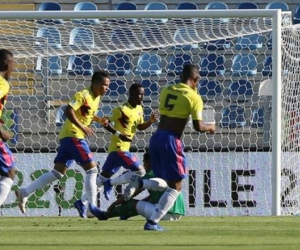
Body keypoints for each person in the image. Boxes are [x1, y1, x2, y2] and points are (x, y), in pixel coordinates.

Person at [15, 70, 128, 214]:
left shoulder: (96, 98)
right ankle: (91, 208)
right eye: (105, 85)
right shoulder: (83, 95)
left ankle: (25, 192)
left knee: (58, 173)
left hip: (68, 137)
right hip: (74, 135)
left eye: (108, 85)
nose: (107, 88)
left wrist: (99, 120)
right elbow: (68, 111)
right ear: (96, 83)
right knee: (92, 170)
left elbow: (88, 113)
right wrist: (83, 127)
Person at [126, 64, 215, 231]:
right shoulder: (194, 97)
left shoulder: (167, 89)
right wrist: (210, 127)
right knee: (176, 186)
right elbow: (198, 127)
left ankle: (142, 183)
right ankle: (152, 222)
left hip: (156, 137)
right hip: (171, 140)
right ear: (196, 79)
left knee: (164, 182)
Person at [75, 83, 158, 218]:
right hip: (119, 149)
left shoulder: (139, 109)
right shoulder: (121, 109)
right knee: (141, 171)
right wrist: (119, 134)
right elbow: (105, 123)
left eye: (143, 94)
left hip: (118, 151)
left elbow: (140, 127)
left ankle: (82, 202)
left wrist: (150, 121)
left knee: (101, 179)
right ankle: (111, 184)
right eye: (139, 94)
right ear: (131, 95)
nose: (142, 97)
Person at [93, 152, 185, 221]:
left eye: (144, 163)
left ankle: (104, 215)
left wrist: (113, 204)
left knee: (131, 203)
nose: (144, 166)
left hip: (165, 214)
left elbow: (129, 195)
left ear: (149, 163)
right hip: (178, 214)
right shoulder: (165, 172)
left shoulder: (150, 174)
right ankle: (125, 215)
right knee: (148, 200)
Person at [0, 49, 16, 207]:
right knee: (10, 172)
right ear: (6, 64)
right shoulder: (2, 84)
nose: (14, 67)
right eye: (13, 63)